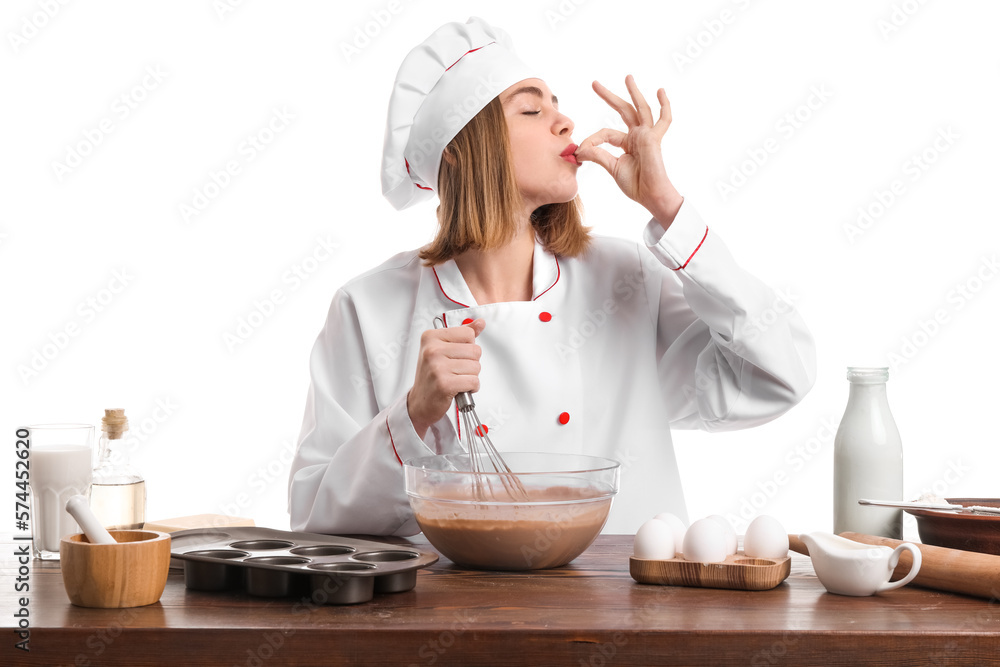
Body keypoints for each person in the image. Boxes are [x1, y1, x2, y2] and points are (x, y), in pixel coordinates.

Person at [287, 16, 816, 536]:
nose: (565, 123)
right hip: (450, 615)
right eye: (533, 109)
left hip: (623, 611)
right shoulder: (368, 307)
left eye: (559, 107)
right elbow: (314, 516)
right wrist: (413, 414)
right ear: (462, 149)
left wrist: (668, 208)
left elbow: (781, 375)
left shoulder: (625, 280)